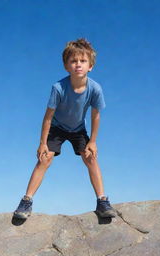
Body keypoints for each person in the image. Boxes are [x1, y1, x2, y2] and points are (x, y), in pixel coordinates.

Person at [14, 38, 116, 219]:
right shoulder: (58, 88)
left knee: (90, 158)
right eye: (73, 61)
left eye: (83, 61)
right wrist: (42, 143)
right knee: (44, 159)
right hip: (57, 128)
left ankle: (102, 201)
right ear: (66, 66)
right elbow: (47, 117)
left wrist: (93, 141)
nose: (78, 65)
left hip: (78, 129)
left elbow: (96, 116)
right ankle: (26, 201)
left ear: (90, 66)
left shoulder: (95, 89)